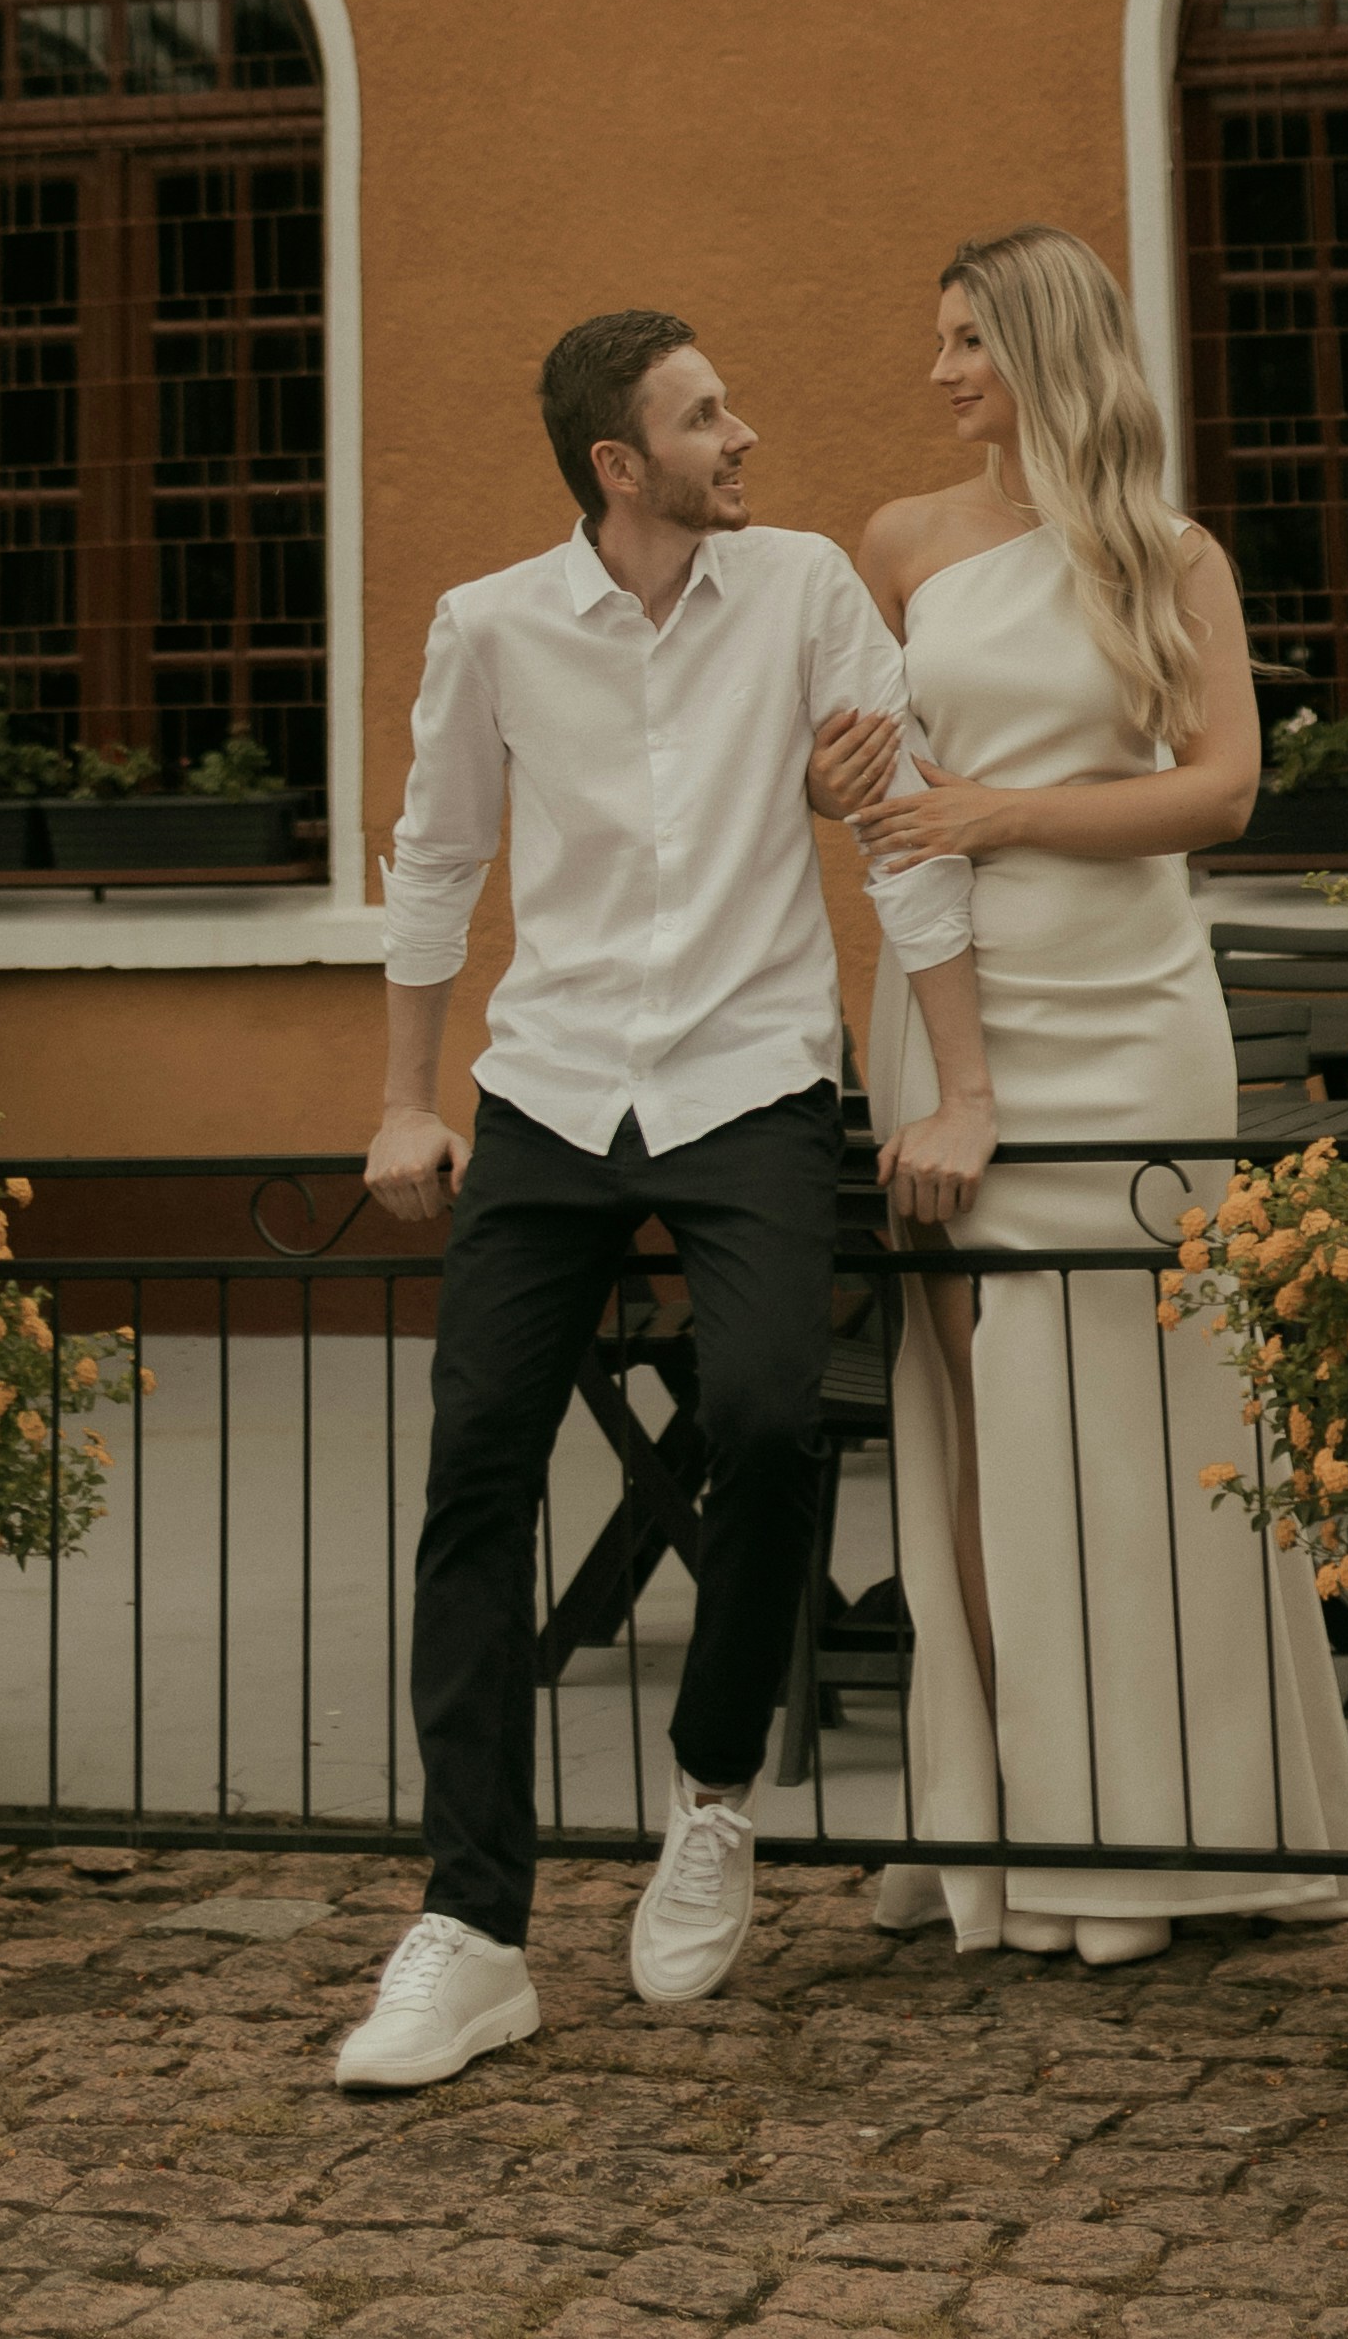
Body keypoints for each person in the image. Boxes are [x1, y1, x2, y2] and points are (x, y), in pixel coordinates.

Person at [331, 306, 997, 2095]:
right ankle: (473, 1930)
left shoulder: (800, 596)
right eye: (708, 418)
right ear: (620, 464)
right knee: (474, 1468)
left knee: (774, 1417)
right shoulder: (489, 628)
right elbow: (439, 858)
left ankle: (714, 1793)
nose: (745, 436)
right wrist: (405, 1102)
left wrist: (970, 1083)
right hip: (547, 1092)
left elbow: (903, 831)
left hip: (751, 1077)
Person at [830, 223, 1348, 1962]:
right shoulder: (900, 546)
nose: (939, 375)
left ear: (1047, 349)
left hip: (1135, 1018)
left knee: (1166, 1420)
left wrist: (1005, 813)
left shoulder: (1168, 554)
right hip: (956, 1023)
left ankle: (1188, 1829)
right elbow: (868, 789)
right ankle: (1027, 1838)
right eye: (938, 341)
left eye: (967, 339)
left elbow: (1218, 795)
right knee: (981, 1416)